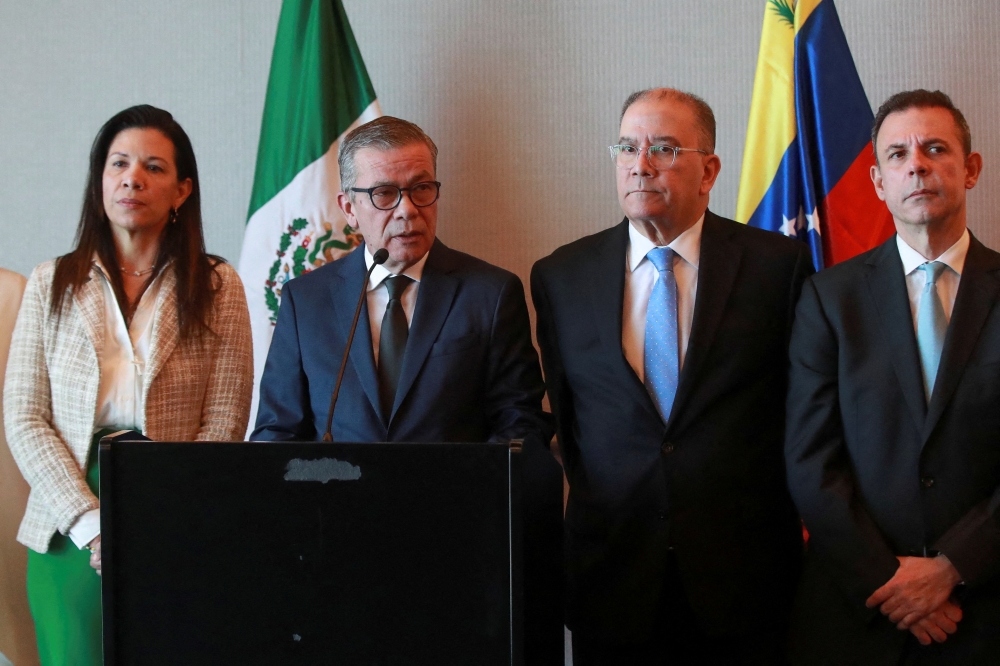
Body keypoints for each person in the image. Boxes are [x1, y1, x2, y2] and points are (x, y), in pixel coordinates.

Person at [251, 116, 560, 661]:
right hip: (334, 556)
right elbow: (278, 430)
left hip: (455, 554)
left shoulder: (489, 293)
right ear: (349, 207)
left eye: (421, 189)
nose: (407, 210)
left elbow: (522, 423)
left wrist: (466, 504)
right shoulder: (306, 300)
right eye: (385, 193)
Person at [531, 88, 813, 665]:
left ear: (709, 170)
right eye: (628, 147)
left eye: (663, 148)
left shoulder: (776, 267)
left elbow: (800, 413)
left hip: (746, 585)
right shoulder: (561, 276)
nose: (641, 164)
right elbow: (569, 419)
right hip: (612, 578)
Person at [4, 105, 253, 665]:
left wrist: (166, 514)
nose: (132, 177)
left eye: (153, 167)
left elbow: (225, 419)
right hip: (66, 516)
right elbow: (24, 415)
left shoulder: (218, 285)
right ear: (100, 183)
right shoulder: (51, 281)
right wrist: (92, 526)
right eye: (118, 163)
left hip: (177, 511)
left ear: (182, 190)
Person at [785, 89, 1000, 664]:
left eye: (935, 149)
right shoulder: (829, 299)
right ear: (879, 182)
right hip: (862, 613)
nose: (917, 165)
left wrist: (956, 566)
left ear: (970, 169)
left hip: (989, 608)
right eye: (898, 155)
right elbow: (811, 460)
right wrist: (892, 583)